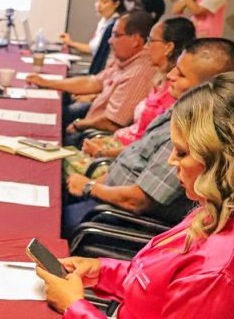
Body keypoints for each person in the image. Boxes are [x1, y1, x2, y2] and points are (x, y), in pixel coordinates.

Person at [39, 72, 234, 319]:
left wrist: (77, 308)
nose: (170, 161)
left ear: (222, 164)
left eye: (182, 153)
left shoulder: (223, 266)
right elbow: (157, 279)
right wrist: (99, 272)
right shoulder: (214, 211)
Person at [62, 37, 234, 235]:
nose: (170, 75)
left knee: (52, 221)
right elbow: (135, 157)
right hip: (106, 195)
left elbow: (139, 200)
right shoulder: (177, 110)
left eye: (181, 74)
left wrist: (89, 187)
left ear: (210, 89)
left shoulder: (192, 136)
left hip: (121, 218)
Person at [63, 17, 195, 178]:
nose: (146, 47)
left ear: (168, 47)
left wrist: (103, 152)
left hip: (125, 156)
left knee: (61, 160)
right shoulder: (160, 79)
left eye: (151, 41)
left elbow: (147, 147)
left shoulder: (174, 93)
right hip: (119, 144)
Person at [30, 10, 159, 146]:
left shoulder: (138, 73)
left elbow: (111, 122)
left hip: (96, 135)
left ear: (135, 40)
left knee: (49, 132)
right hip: (93, 117)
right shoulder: (129, 59)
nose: (110, 40)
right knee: (53, 114)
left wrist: (79, 124)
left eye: (116, 35)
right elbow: (93, 82)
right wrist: (47, 83)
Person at [59, 0, 126, 57]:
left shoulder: (116, 25)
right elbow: (92, 48)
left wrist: (71, 43)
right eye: (97, 1)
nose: (98, 5)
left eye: (104, 2)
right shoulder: (104, 20)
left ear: (116, 3)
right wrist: (70, 43)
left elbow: (92, 49)